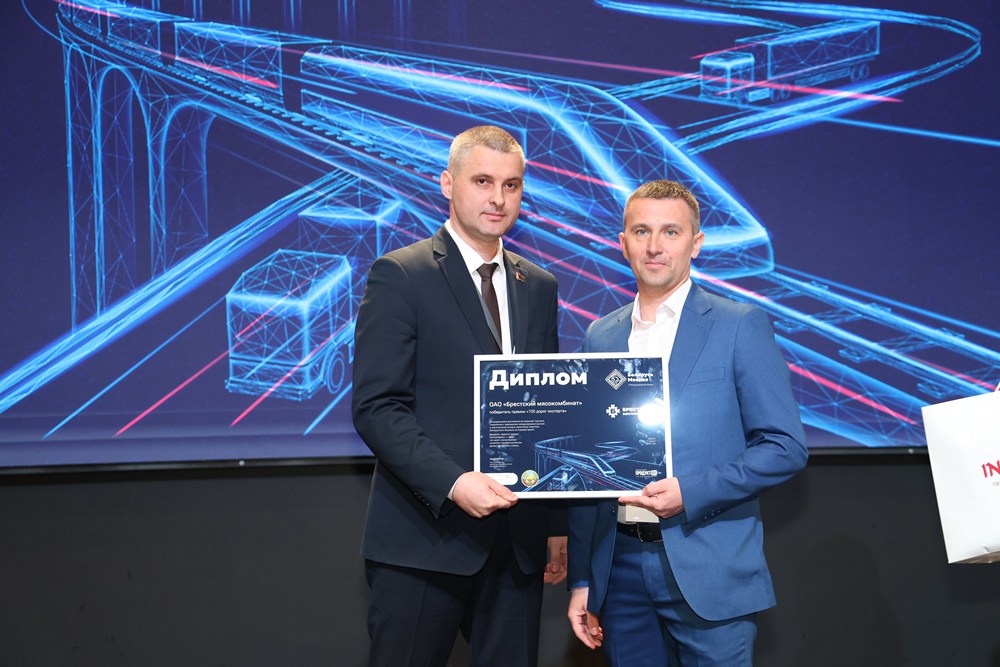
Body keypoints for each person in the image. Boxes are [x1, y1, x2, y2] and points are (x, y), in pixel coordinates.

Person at [566, 180, 808, 665]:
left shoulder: (739, 325)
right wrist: (583, 579)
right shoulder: (600, 335)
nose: (655, 246)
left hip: (710, 567)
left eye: (671, 232)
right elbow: (584, 465)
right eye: (642, 231)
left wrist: (689, 492)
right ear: (623, 242)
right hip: (620, 569)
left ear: (695, 243)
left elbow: (785, 447)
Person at [352, 125, 566, 667]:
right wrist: (453, 482)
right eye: (482, 181)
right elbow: (377, 407)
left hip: (517, 544)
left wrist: (556, 524)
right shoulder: (401, 274)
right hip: (424, 539)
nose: (498, 198)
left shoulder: (539, 286)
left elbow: (548, 412)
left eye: (511, 185)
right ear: (448, 183)